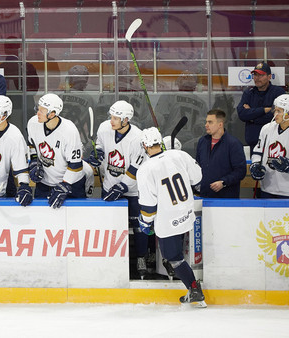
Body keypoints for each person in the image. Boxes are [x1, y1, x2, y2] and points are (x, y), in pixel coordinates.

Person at [136, 127, 206, 307]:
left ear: (144, 145)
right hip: (187, 214)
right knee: (178, 252)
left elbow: (149, 207)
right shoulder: (179, 155)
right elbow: (197, 178)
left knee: (172, 256)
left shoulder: (145, 169)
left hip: (167, 221)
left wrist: (145, 222)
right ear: (160, 142)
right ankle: (193, 288)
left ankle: (194, 290)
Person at [86, 100, 150, 278]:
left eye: (116, 118)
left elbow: (136, 168)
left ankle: (141, 257)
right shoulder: (105, 128)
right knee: (111, 226)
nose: (111, 120)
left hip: (132, 190)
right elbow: (100, 145)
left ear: (126, 119)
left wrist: (123, 186)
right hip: (110, 186)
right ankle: (111, 258)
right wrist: (97, 153)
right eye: (111, 116)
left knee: (139, 226)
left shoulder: (137, 137)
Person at [27, 94, 87, 208]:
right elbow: (32, 144)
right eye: (38, 108)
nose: (37, 113)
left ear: (52, 114)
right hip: (44, 183)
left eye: (42, 111)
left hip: (72, 184)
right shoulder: (33, 123)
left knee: (75, 221)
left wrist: (65, 184)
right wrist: (34, 161)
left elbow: (76, 164)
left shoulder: (69, 130)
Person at [195, 109, 247, 198]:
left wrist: (224, 182)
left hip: (226, 199)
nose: (206, 125)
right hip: (205, 196)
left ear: (220, 124)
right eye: (206, 122)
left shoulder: (233, 144)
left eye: (210, 122)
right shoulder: (202, 142)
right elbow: (197, 165)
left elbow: (240, 171)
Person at [237, 62, 286, 152]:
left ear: (269, 76)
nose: (257, 78)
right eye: (255, 75)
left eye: (261, 75)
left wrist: (252, 118)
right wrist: (264, 110)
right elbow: (242, 114)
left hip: (274, 144)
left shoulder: (278, 93)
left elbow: (276, 117)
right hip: (254, 144)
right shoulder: (249, 93)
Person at [249, 94, 289, 198]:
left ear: (288, 113)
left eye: (279, 111)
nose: (275, 114)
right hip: (267, 187)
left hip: (287, 191)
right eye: (275, 110)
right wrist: (255, 165)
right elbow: (258, 152)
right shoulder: (267, 129)